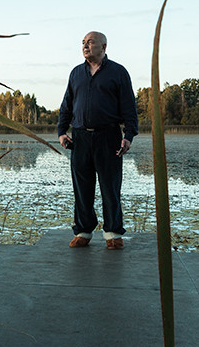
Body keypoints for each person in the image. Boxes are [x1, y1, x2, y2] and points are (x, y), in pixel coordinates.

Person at [57, 31, 138, 250]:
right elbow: (67, 105)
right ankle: (83, 231)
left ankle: (112, 233)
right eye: (83, 42)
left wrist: (128, 136)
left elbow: (130, 107)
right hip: (80, 138)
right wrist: (62, 132)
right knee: (82, 188)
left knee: (110, 186)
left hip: (109, 137)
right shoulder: (76, 73)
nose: (85, 46)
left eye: (90, 42)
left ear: (103, 46)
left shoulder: (118, 72)